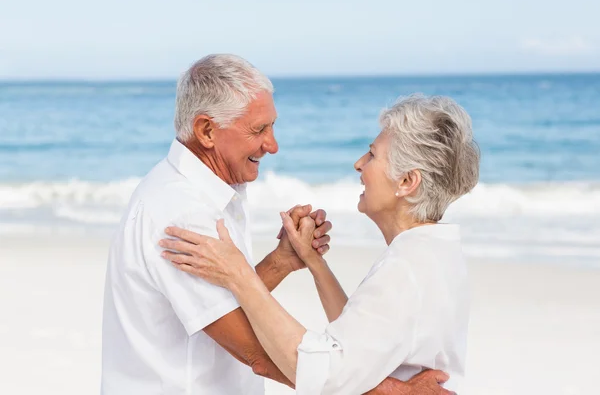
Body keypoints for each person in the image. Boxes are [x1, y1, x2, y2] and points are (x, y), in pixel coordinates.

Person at [102, 55, 451, 394]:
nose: (273, 145)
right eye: (259, 130)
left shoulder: (208, 190)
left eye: (272, 126)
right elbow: (256, 351)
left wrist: (282, 261)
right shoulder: (182, 211)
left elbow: (223, 304)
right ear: (207, 130)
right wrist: (391, 392)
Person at [159, 94, 480, 394]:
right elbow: (359, 338)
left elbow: (323, 373)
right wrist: (314, 263)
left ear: (407, 182)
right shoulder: (432, 253)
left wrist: (238, 275)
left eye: (372, 154)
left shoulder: (405, 269)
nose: (359, 163)